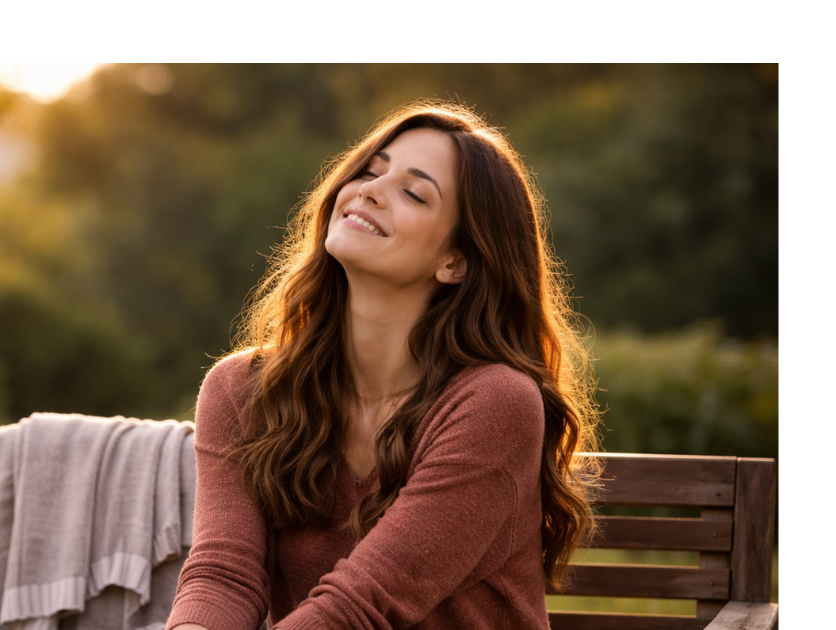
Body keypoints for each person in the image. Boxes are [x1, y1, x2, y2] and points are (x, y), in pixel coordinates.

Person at [165, 102, 599, 630]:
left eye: (413, 192)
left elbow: (362, 606)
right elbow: (223, 574)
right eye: (371, 170)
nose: (369, 189)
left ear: (455, 261)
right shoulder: (241, 389)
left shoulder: (495, 403)